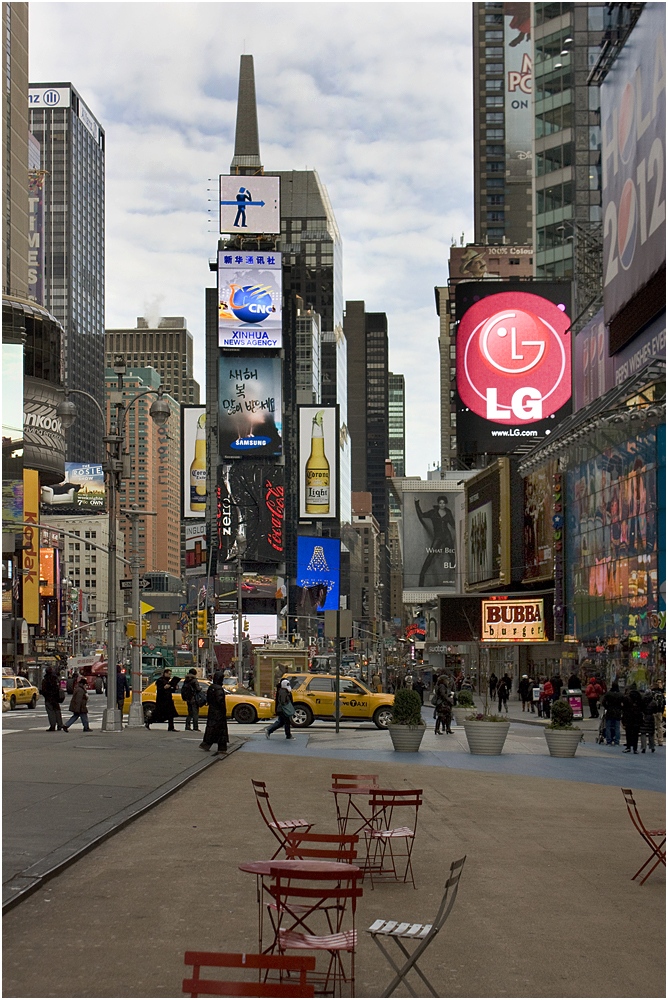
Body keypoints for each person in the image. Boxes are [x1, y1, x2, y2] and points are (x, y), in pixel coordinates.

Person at [414, 495, 456, 587]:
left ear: (445, 504)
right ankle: (422, 577)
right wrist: (416, 503)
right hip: (438, 536)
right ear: (438, 503)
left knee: (453, 556)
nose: (442, 505)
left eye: (444, 503)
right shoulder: (433, 512)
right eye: (440, 503)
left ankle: (457, 581)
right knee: (431, 555)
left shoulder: (448, 512)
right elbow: (421, 515)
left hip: (447, 536)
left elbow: (453, 524)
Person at [199, 670, 228, 753]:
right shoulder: (218, 688)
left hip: (212, 711)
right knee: (221, 730)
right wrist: (223, 710)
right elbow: (220, 701)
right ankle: (221, 747)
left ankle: (207, 744)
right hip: (219, 712)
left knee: (212, 728)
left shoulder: (211, 687)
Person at [41, 665, 64, 731]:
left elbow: (44, 690)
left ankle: (52, 725)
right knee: (57, 711)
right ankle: (60, 725)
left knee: (51, 712)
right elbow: (58, 688)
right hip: (56, 698)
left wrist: (44, 694)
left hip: (49, 698)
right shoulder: (56, 679)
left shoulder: (45, 680)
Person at [601, 681, 624, 746]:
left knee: (608, 727)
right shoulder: (620, 695)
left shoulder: (608, 694)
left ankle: (609, 740)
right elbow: (624, 703)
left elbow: (603, 702)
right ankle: (617, 741)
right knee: (617, 727)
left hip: (610, 711)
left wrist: (607, 707)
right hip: (617, 712)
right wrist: (621, 708)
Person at [622, 689, 643, 753]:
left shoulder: (627, 699)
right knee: (635, 734)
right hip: (637, 719)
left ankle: (628, 747)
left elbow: (624, 709)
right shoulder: (639, 700)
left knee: (628, 733)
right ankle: (635, 748)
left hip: (628, 718)